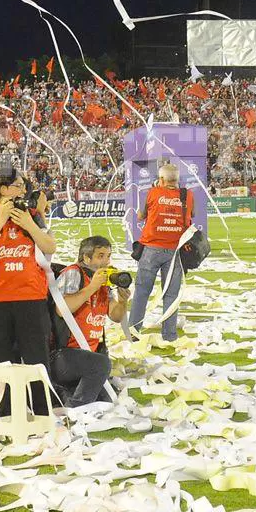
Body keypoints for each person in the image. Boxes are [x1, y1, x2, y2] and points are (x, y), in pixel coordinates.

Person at [0, 166, 56, 414]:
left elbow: (50, 246)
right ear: (2, 188)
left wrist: (30, 223)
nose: (23, 190)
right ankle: (3, 414)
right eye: (18, 185)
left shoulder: (31, 215)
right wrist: (0, 219)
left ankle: (41, 412)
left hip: (30, 297)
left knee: (37, 359)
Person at [50, 235, 129, 407]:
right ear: (86, 258)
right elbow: (62, 309)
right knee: (100, 365)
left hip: (88, 354)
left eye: (108, 256)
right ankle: (76, 409)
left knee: (106, 398)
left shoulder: (103, 281)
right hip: (62, 354)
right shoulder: (73, 273)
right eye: (100, 256)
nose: (106, 261)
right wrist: (92, 287)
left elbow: (115, 316)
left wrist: (123, 301)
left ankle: (63, 393)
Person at [130, 162, 192, 342]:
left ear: (161, 179)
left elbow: (141, 216)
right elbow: (191, 214)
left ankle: (134, 333)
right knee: (171, 295)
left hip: (151, 248)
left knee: (142, 291)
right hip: (175, 251)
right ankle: (169, 335)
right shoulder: (187, 195)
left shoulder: (153, 193)